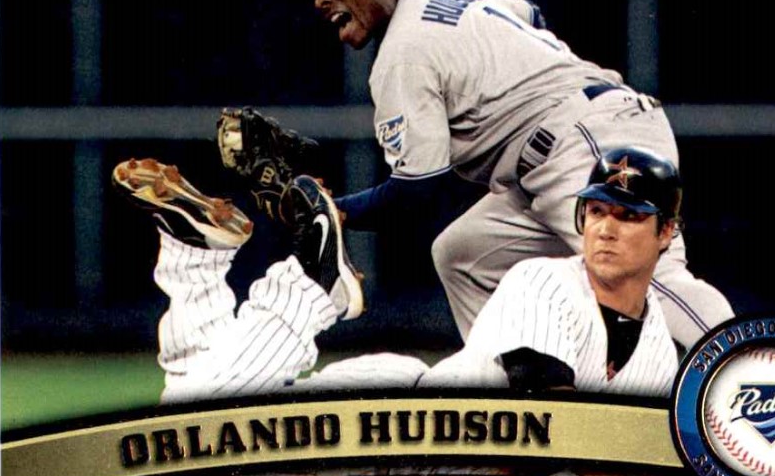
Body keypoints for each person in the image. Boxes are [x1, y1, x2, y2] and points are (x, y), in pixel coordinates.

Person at [274, 0, 733, 352]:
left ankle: (749, 374)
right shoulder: (467, 1)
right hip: (564, 149)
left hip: (590, 144)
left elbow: (417, 193)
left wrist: (337, 211)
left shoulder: (404, 53)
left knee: (648, 278)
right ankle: (523, 384)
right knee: (464, 255)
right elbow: (530, 14)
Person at [112, 146, 681, 402]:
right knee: (207, 430)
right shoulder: (546, 282)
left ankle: (194, 257)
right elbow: (548, 413)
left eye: (629, 216)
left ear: (666, 233)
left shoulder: (659, 347)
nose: (606, 229)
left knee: (191, 409)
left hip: (405, 425)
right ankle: (310, 285)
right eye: (597, 211)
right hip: (392, 423)